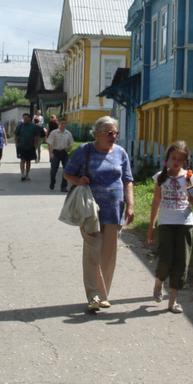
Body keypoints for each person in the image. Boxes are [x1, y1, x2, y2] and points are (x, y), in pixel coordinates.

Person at [63, 116, 134, 312]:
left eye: (115, 133)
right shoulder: (84, 151)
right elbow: (67, 173)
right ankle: (93, 296)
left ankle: (104, 296)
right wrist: (79, 181)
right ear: (97, 134)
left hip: (114, 211)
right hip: (90, 212)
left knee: (109, 256)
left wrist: (130, 205)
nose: (113, 137)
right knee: (92, 253)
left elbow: (127, 180)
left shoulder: (120, 153)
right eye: (109, 133)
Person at [147, 141, 193, 314]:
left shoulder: (189, 177)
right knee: (165, 257)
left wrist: (192, 193)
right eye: (174, 158)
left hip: (184, 223)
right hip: (166, 223)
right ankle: (160, 281)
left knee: (182, 261)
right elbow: (156, 201)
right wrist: (151, 224)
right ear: (168, 157)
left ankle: (173, 301)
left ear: (185, 161)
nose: (176, 162)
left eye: (180, 159)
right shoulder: (161, 177)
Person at [14, 112, 45, 181]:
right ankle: (22, 174)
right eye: (24, 117)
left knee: (28, 161)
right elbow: (16, 135)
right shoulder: (20, 126)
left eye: (26, 117)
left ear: (29, 118)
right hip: (22, 145)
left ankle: (27, 174)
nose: (25, 119)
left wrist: (35, 143)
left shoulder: (33, 126)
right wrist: (16, 144)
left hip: (30, 146)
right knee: (22, 160)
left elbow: (37, 136)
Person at [47, 116, 74, 192]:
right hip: (56, 152)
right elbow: (50, 143)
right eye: (62, 123)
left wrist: (69, 148)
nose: (63, 125)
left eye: (65, 123)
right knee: (53, 170)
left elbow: (71, 143)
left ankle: (64, 186)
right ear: (59, 124)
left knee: (66, 170)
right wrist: (51, 153)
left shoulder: (68, 133)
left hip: (64, 153)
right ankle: (52, 182)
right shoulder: (54, 132)